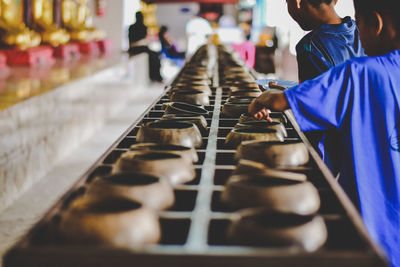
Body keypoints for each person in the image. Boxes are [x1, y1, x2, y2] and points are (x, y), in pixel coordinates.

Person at [248, 0, 400, 265]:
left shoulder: (358, 74)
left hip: (368, 227)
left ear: (376, 24)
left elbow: (281, 102)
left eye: (360, 24)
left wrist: (261, 100)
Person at [286, 0, 365, 174]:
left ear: (298, 2)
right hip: (367, 140)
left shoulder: (309, 46)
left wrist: (286, 99)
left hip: (331, 151)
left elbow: (315, 104)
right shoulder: (364, 32)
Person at [128, 11, 163, 83]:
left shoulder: (136, 27)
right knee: (153, 56)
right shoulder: (140, 27)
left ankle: (155, 76)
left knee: (155, 56)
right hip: (138, 48)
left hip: (140, 48)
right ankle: (155, 77)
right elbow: (134, 42)